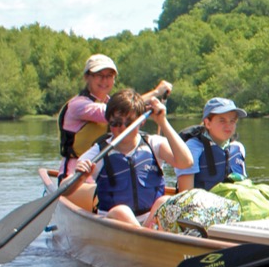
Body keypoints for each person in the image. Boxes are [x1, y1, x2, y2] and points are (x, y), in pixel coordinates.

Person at [69, 88, 193, 227]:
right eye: (116, 123)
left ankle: (146, 238)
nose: (122, 128)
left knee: (164, 201)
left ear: (141, 122)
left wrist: (162, 122)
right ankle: (145, 240)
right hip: (114, 222)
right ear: (109, 122)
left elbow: (186, 162)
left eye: (129, 123)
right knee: (122, 211)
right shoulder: (98, 153)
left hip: (149, 222)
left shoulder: (153, 143)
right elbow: (65, 187)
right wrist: (80, 177)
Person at [57, 53, 170, 178]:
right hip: (77, 172)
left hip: (107, 169)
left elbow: (125, 111)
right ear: (86, 77)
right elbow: (120, 109)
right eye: (99, 75)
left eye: (109, 76)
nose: (104, 80)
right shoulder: (78, 105)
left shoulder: (111, 103)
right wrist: (156, 92)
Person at [176, 97, 248, 192]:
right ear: (207, 123)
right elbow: (185, 194)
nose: (228, 126)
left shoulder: (238, 147)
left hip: (233, 203)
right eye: (222, 121)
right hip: (200, 204)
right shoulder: (192, 148)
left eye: (232, 121)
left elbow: (245, 186)